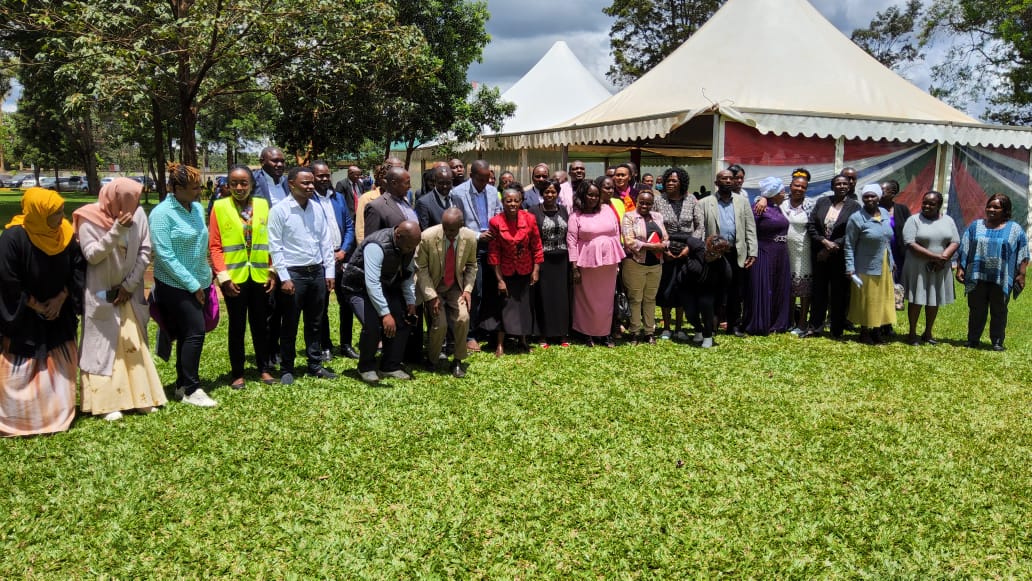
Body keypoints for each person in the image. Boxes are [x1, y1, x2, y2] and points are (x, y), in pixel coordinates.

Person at [76, 178, 165, 421]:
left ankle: (141, 398)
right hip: (102, 293)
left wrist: (129, 285)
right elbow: (93, 255)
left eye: (134, 203)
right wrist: (117, 230)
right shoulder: (88, 217)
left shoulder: (137, 214)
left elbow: (146, 250)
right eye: (126, 202)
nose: (130, 209)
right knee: (104, 349)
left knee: (133, 345)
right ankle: (107, 403)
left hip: (129, 293)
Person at [0, 188, 83, 435]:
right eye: (55, 213)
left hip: (58, 313)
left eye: (61, 210)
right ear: (38, 214)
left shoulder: (66, 235)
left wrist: (61, 298)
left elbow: (78, 269)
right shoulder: (13, 239)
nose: (62, 216)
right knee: (20, 368)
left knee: (60, 364)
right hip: (24, 315)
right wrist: (35, 304)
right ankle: (18, 421)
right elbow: (7, 279)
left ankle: (55, 415)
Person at [149, 163, 215, 406]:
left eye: (199, 187)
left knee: (190, 333)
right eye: (193, 188)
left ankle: (180, 385)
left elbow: (200, 245)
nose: (198, 192)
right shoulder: (161, 214)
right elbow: (164, 255)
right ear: (175, 188)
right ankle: (191, 389)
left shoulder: (197, 209)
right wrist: (191, 284)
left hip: (199, 279)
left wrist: (205, 278)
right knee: (195, 332)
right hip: (174, 283)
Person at [267, 166, 338, 384]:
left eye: (311, 183)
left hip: (316, 272)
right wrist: (284, 277)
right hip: (293, 274)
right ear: (291, 184)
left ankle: (315, 365)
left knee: (315, 322)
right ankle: (287, 368)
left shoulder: (317, 208)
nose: (310, 186)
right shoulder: (280, 210)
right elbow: (275, 246)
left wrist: (330, 271)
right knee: (289, 323)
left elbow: (325, 241)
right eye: (305, 183)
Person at [209, 165, 277, 388]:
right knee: (237, 327)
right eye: (234, 183)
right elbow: (215, 246)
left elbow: (271, 241)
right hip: (234, 279)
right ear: (228, 186)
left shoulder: (263, 205)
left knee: (261, 325)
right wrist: (223, 277)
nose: (239, 187)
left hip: (259, 276)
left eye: (244, 183)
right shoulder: (219, 207)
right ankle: (237, 372)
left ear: (251, 184)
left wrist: (271, 271)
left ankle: (264, 368)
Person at [341, 221, 422, 383]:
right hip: (357, 288)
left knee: (403, 319)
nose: (411, 250)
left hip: (385, 286)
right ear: (398, 236)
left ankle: (390, 366)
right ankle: (366, 367)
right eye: (409, 247)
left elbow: (407, 276)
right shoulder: (376, 246)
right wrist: (385, 313)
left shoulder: (408, 245)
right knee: (373, 325)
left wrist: (410, 303)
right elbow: (371, 282)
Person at [957, 194, 1029, 351]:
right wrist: (960, 267)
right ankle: (973, 339)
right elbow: (965, 246)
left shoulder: (1014, 229)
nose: (991, 209)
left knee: (999, 309)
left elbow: (1023, 253)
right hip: (977, 273)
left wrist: (1021, 274)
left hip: (1001, 276)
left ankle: (997, 341)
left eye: (996, 207)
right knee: (976, 308)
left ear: (1005, 210)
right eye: (989, 206)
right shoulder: (976, 226)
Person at [415, 208, 478, 377]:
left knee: (463, 318)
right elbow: (421, 268)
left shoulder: (470, 237)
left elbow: (472, 265)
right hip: (434, 286)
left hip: (455, 286)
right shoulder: (427, 237)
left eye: (453, 230)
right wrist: (431, 296)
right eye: (445, 228)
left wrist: (467, 290)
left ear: (461, 225)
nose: (448, 233)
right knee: (439, 324)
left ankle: (458, 360)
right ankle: (433, 359)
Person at [483, 189, 544, 356]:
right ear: (503, 203)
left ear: (520, 201)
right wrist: (499, 279)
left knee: (524, 306)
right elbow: (493, 253)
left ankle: (523, 341)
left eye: (516, 201)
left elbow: (537, 245)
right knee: (504, 306)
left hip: (525, 269)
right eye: (508, 201)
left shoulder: (530, 219)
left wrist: (536, 269)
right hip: (506, 271)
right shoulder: (495, 222)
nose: (512, 204)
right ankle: (500, 344)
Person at [450, 159, 502, 352]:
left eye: (487, 178)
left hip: (493, 245)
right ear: (471, 176)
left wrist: (495, 230)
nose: (484, 182)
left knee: (492, 290)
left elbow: (498, 212)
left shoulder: (491, 190)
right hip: (473, 247)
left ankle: (486, 329)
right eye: (480, 178)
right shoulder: (458, 193)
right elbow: (457, 223)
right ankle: (469, 334)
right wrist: (479, 235)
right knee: (475, 292)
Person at [700, 169, 758, 337]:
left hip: (736, 252)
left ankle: (734, 325)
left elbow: (750, 228)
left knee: (735, 290)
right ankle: (712, 324)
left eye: (730, 179)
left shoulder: (742, 202)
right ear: (716, 183)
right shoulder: (705, 202)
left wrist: (752, 252)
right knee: (714, 289)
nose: (727, 181)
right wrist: (705, 251)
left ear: (734, 182)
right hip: (714, 254)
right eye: (723, 178)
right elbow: (701, 229)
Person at [567, 181, 625, 347]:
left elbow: (616, 233)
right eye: (590, 194)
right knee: (586, 299)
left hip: (608, 263)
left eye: (596, 195)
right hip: (586, 263)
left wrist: (617, 259)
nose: (593, 198)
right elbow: (571, 242)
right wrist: (574, 267)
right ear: (582, 196)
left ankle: (605, 334)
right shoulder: (575, 216)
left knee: (606, 300)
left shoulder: (607, 210)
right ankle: (587, 333)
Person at [901, 191, 959, 346]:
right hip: (918, 265)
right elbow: (910, 243)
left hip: (940, 266)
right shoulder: (913, 220)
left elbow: (955, 241)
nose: (927, 206)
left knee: (934, 298)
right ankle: (912, 333)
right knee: (916, 298)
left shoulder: (948, 220)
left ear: (939, 205)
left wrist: (944, 257)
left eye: (931, 204)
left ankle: (928, 332)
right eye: (924, 202)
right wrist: (935, 257)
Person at [806, 174, 861, 338]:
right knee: (819, 292)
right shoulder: (822, 202)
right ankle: (815, 326)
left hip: (840, 256)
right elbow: (811, 225)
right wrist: (823, 242)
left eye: (845, 184)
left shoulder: (855, 207)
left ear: (849, 187)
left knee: (838, 293)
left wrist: (832, 246)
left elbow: (852, 232)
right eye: (838, 183)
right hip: (820, 256)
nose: (842, 186)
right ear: (832, 186)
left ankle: (837, 329)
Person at [652, 167, 704, 341]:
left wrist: (689, 248)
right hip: (665, 248)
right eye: (668, 181)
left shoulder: (692, 200)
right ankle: (666, 327)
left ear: (682, 182)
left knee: (684, 288)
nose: (670, 183)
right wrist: (663, 248)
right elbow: (653, 225)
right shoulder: (659, 201)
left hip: (687, 248)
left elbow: (700, 226)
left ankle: (679, 328)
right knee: (667, 289)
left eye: (674, 181)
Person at [312, 160, 356, 361]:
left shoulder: (337, 198)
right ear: (312, 176)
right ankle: (326, 345)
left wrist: (345, 250)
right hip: (321, 260)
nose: (324, 178)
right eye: (320, 175)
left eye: (327, 175)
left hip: (341, 257)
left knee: (346, 303)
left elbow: (348, 225)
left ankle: (346, 344)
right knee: (321, 306)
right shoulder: (308, 201)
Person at [845, 184, 896, 344]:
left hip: (885, 264)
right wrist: (850, 267)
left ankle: (877, 330)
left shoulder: (886, 214)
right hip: (865, 266)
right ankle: (864, 331)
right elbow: (849, 244)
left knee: (881, 299)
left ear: (879, 197)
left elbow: (887, 240)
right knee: (866, 299)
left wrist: (892, 261)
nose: (869, 199)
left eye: (873, 196)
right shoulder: (856, 218)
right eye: (866, 196)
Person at [743, 177, 792, 335]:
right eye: (781, 190)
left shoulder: (779, 208)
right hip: (764, 251)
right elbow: (749, 230)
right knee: (763, 287)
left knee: (778, 286)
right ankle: (759, 322)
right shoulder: (758, 208)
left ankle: (777, 322)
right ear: (774, 193)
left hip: (781, 252)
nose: (784, 192)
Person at [621, 190, 669, 344]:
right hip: (635, 263)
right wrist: (653, 247)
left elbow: (666, 237)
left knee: (650, 298)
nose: (644, 205)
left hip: (655, 264)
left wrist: (664, 245)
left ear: (652, 204)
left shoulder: (658, 217)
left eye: (648, 203)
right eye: (642, 202)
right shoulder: (629, 217)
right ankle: (634, 331)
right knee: (635, 299)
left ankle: (649, 332)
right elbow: (629, 241)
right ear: (637, 201)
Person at [528, 179, 571, 347]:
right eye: (547, 192)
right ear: (542, 193)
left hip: (562, 261)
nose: (550, 195)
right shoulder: (533, 211)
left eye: (553, 192)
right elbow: (531, 238)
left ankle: (561, 333)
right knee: (543, 297)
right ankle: (543, 335)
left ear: (558, 193)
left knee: (561, 297)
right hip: (542, 261)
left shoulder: (564, 210)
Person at [681, 235, 732, 348]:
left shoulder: (725, 268)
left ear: (720, 255)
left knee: (707, 306)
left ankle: (708, 336)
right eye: (708, 251)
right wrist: (665, 239)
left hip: (708, 290)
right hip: (689, 286)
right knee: (689, 313)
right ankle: (699, 330)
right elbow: (683, 237)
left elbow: (724, 288)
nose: (708, 255)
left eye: (713, 254)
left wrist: (720, 305)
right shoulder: (699, 246)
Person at [781, 174, 815, 334]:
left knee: (804, 289)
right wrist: (762, 199)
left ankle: (802, 323)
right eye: (796, 186)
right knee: (788, 288)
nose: (799, 189)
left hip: (803, 251)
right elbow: (764, 196)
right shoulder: (781, 202)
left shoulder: (810, 205)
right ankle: (788, 320)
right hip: (783, 251)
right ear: (790, 186)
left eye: (803, 187)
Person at [415, 165, 454, 230]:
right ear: (435, 182)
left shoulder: (457, 199)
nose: (445, 186)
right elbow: (425, 232)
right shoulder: (424, 203)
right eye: (441, 183)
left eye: (448, 183)